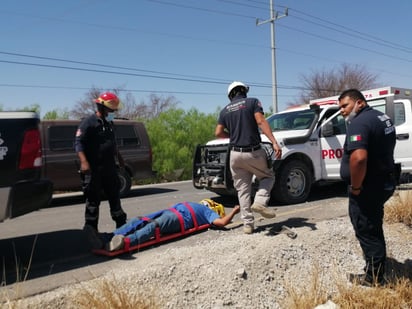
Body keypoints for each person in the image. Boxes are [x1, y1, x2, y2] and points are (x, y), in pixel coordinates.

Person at [338, 88, 396, 286]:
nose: (342, 111)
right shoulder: (382, 118)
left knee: (366, 229)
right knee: (373, 224)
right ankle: (377, 267)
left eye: (345, 106)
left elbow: (359, 158)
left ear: (359, 103)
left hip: (367, 187)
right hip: (383, 181)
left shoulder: (359, 123)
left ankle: (374, 278)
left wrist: (355, 187)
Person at [215, 81, 282, 234]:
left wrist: (232, 136)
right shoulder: (252, 102)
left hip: (235, 155)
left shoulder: (224, 111)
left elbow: (218, 132)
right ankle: (259, 202)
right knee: (268, 176)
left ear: (230, 95)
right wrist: (274, 142)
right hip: (253, 151)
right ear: (243, 91)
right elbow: (261, 121)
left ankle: (248, 225)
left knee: (243, 190)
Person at [75, 92, 127, 235]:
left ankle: (122, 229)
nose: (113, 113)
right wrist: (84, 162)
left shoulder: (109, 123)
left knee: (115, 198)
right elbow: (78, 143)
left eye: (114, 110)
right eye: (111, 110)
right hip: (94, 171)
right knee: (93, 201)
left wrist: (120, 158)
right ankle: (91, 231)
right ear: (101, 107)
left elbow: (112, 144)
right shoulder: (88, 123)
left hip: (109, 169)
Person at [97, 200, 240, 251]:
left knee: (154, 226)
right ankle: (109, 237)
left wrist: (233, 212)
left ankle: (125, 242)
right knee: (139, 220)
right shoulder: (198, 205)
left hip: (179, 218)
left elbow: (222, 222)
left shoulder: (210, 214)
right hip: (171, 212)